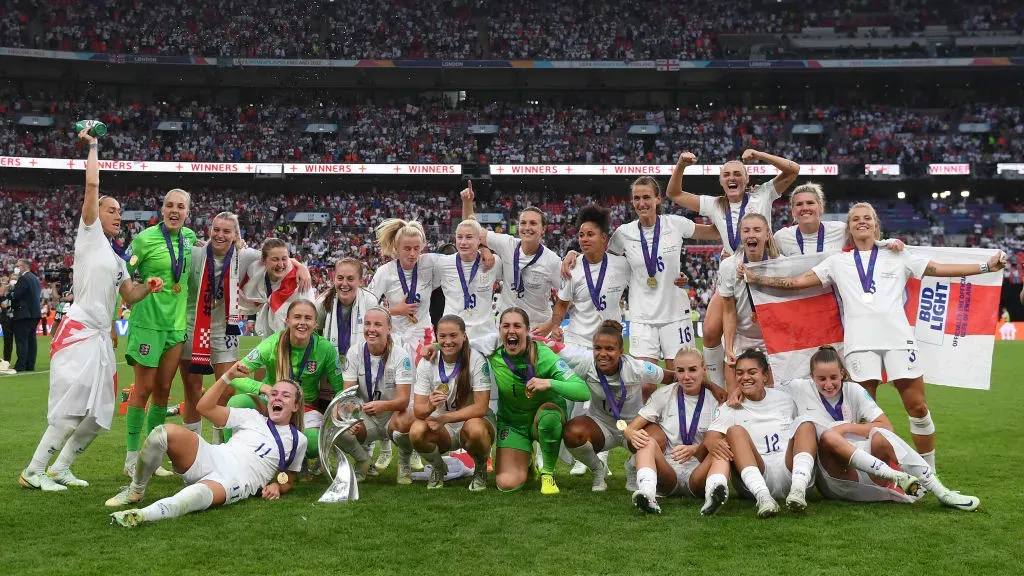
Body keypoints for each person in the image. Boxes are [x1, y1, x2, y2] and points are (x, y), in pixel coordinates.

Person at [743, 202, 1007, 473]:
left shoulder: (898, 255)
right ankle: (872, 472)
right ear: (849, 227)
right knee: (863, 413)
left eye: (867, 218)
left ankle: (929, 470)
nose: (861, 222)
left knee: (917, 406)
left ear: (876, 224)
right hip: (859, 345)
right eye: (855, 219)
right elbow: (798, 282)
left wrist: (986, 267)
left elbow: (939, 269)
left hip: (898, 341)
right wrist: (758, 279)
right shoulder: (837, 262)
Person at [19, 128, 163, 491]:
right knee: (70, 409)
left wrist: (150, 287)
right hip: (79, 331)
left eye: (119, 212)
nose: (117, 215)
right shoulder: (89, 234)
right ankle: (33, 471)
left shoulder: (118, 260)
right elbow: (92, 186)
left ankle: (61, 467)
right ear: (95, 213)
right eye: (111, 210)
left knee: (99, 415)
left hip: (100, 338)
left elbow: (129, 296)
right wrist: (95, 147)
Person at [779, 346, 979, 510]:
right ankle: (896, 476)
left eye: (833, 377)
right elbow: (764, 385)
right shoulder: (798, 387)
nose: (828, 384)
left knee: (879, 435)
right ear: (812, 377)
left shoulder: (854, 390)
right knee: (827, 436)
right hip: (835, 478)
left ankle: (941, 492)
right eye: (821, 379)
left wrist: (845, 427)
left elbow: (886, 425)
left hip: (868, 472)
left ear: (842, 373)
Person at [665, 150, 800, 391]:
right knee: (709, 331)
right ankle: (717, 389)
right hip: (732, 271)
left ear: (747, 179)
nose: (732, 177)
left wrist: (759, 155)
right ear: (721, 181)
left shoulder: (762, 194)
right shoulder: (715, 204)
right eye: (726, 174)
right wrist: (681, 164)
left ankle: (781, 387)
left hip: (764, 269)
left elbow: (793, 170)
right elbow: (673, 193)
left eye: (738, 173)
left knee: (774, 331)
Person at [105, 373, 306, 527]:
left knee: (192, 498)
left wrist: (277, 487)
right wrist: (227, 377)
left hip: (236, 480)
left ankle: (141, 515)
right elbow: (205, 408)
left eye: (285, 396)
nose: (277, 398)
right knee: (162, 433)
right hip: (213, 455)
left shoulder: (299, 440)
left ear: (296, 406)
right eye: (274, 394)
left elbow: (289, 476)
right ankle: (135, 491)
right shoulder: (252, 416)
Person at [180, 214, 310, 443]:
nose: (220, 235)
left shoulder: (246, 256)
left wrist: (301, 267)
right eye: (216, 229)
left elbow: (277, 255)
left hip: (225, 329)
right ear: (210, 230)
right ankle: (192, 444)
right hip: (193, 326)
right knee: (192, 391)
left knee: (229, 388)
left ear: (236, 235)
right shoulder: (197, 252)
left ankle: (218, 442)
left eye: (227, 231)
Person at [603, 176, 717, 377]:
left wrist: (722, 209)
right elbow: (604, 264)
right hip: (641, 317)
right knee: (645, 383)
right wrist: (573, 256)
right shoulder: (623, 233)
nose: (641, 203)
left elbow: (715, 233)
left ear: (658, 199)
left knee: (680, 378)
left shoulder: (675, 224)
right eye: (636, 198)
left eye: (646, 197)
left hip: (675, 315)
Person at [122, 187, 198, 477]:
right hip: (147, 323)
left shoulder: (190, 239)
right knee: (144, 388)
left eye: (181, 206)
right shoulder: (144, 239)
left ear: (187, 213)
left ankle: (151, 457)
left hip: (175, 326)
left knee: (164, 391)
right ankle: (131, 459)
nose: (174, 211)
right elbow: (123, 269)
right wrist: (137, 289)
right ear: (162, 209)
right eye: (169, 205)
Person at [224, 299, 343, 467]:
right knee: (237, 402)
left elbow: (340, 388)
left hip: (305, 406)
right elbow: (235, 375)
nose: (302, 323)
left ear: (315, 323)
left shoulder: (325, 349)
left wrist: (335, 411)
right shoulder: (272, 343)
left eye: (308, 318)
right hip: (272, 402)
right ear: (287, 321)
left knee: (314, 443)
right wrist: (264, 388)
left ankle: (298, 460)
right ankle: (233, 458)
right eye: (297, 317)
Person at [702, 350, 819, 518]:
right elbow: (710, 439)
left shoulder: (784, 398)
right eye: (740, 373)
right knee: (735, 431)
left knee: (806, 422)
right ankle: (763, 498)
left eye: (752, 372)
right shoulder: (730, 406)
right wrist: (722, 446)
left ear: (765, 375)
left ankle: (798, 491)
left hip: (790, 471)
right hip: (756, 477)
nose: (745, 377)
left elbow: (802, 436)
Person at [558, 321, 671, 492]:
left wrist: (711, 386)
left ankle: (632, 468)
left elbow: (671, 378)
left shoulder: (637, 368)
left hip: (634, 427)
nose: (603, 354)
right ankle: (598, 469)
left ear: (621, 352)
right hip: (601, 426)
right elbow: (565, 378)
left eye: (609, 349)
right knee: (572, 432)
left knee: (659, 439)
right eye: (598, 348)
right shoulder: (587, 365)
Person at [487, 307, 589, 495]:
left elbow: (583, 391)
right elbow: (457, 345)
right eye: (506, 326)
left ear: (527, 331)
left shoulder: (544, 355)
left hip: (543, 417)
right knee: (507, 484)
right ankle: (527, 459)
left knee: (549, 418)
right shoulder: (494, 354)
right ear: (499, 330)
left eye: (517, 326)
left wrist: (549, 383)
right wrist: (435, 346)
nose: (511, 331)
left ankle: (548, 474)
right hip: (513, 423)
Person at [626, 346, 722, 514]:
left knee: (722, 449)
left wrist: (695, 449)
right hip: (668, 471)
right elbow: (631, 428)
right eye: (680, 371)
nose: (686, 377)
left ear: (704, 369)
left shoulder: (716, 400)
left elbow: (719, 440)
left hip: (699, 470)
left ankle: (711, 495)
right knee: (646, 441)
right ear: (675, 372)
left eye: (692, 370)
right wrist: (631, 434)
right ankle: (648, 493)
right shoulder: (663, 395)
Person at [315, 257, 390, 469]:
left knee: (363, 411)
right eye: (340, 278)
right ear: (333, 278)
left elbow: (380, 331)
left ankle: (368, 458)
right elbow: (316, 333)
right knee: (331, 413)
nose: (344, 283)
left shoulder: (370, 301)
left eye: (350, 278)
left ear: (360, 280)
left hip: (363, 364)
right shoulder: (322, 303)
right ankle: (325, 458)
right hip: (332, 369)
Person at [461, 181, 562, 336]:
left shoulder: (552, 261)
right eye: (523, 223)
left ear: (543, 229)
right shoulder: (508, 244)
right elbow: (472, 230)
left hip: (537, 330)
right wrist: (467, 202)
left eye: (533, 223)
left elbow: (568, 296)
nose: (527, 227)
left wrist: (550, 325)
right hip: (506, 329)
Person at [410, 315, 494, 490]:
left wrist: (445, 418)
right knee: (416, 431)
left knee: (477, 430)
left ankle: (479, 469)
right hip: (443, 428)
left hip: (470, 422)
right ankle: (439, 467)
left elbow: (481, 407)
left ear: (464, 336)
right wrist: (430, 406)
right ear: (437, 337)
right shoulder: (427, 362)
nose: (447, 341)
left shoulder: (476, 359)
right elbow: (418, 411)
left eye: (453, 335)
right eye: (442, 336)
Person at [337, 307, 418, 483]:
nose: (371, 329)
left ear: (389, 329)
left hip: (393, 416)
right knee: (338, 421)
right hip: (367, 415)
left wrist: (382, 405)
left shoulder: (400, 355)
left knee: (408, 418)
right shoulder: (355, 352)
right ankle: (363, 461)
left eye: (377, 324)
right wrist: (352, 417)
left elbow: (404, 401)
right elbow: (347, 395)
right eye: (367, 324)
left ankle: (404, 462)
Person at [718, 213, 778, 394]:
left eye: (757, 230)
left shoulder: (779, 264)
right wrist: (729, 348)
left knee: (774, 395)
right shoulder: (729, 266)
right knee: (735, 396)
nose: (751, 235)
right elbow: (729, 312)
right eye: (746, 230)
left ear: (767, 235)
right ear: (741, 235)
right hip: (741, 336)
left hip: (770, 338)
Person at [434, 219, 502, 339]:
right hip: (453, 335)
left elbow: (512, 284)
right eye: (459, 237)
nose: (463, 242)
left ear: (479, 241)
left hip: (486, 335)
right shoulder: (442, 263)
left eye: (469, 237)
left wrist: (485, 250)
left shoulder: (494, 262)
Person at [240, 238, 316, 337]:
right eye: (275, 259)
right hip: (271, 335)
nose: (280, 264)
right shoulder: (256, 270)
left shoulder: (299, 281)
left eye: (284, 259)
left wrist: (302, 267)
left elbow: (310, 316)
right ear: (263, 260)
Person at [773, 183, 846, 256]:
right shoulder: (781, 237)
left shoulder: (842, 230)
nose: (805, 208)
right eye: (799, 204)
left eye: (810, 203)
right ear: (793, 211)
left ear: (821, 208)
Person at [8, 258, 42, 372]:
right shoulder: (35, 278)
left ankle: (20, 365)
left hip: (23, 314)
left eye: (18, 266)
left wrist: (11, 292)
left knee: (21, 340)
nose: (16, 268)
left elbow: (17, 295)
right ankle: (30, 365)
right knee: (31, 340)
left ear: (24, 267)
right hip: (35, 314)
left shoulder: (23, 278)